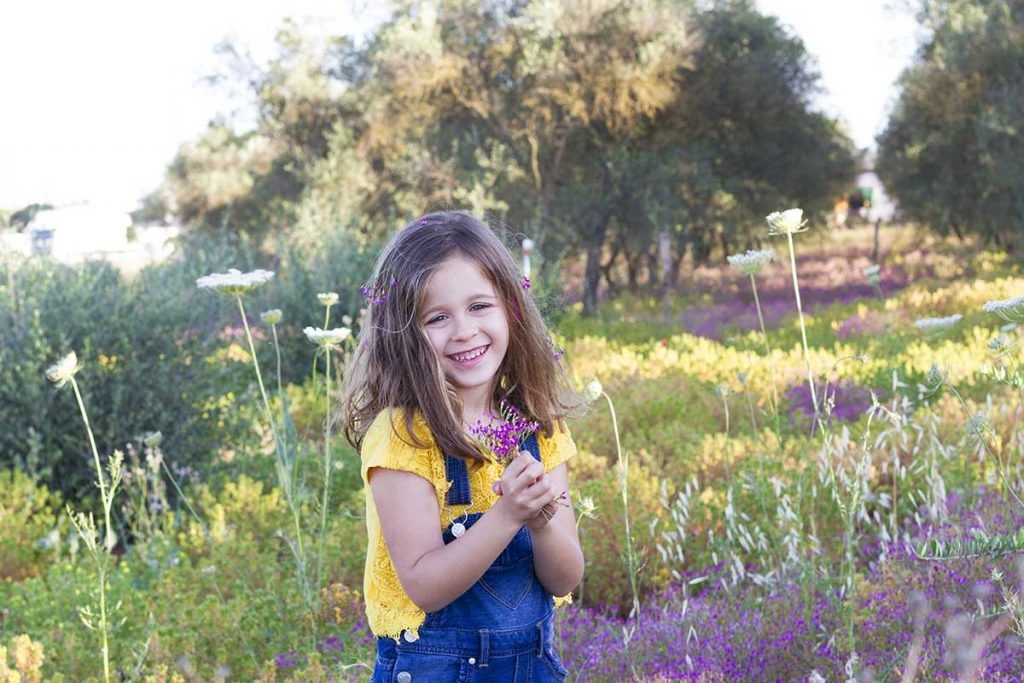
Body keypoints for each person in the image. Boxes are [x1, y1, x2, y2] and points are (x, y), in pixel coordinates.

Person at [340, 210, 586, 682]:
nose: (464, 331)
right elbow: (426, 587)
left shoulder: (536, 427)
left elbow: (565, 576)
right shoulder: (404, 437)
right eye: (437, 317)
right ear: (404, 333)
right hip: (435, 669)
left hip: (530, 669)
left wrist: (542, 521)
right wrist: (508, 515)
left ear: (511, 308)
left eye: (479, 306)